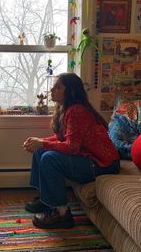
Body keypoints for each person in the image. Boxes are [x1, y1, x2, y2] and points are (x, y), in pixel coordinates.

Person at [23, 73, 120, 229]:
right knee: (40, 151)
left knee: (49, 158)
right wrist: (40, 142)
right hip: (90, 159)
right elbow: (63, 138)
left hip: (103, 164)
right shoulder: (65, 109)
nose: (52, 89)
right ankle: (45, 200)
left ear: (71, 91)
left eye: (58, 87)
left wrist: (42, 144)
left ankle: (62, 215)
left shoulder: (76, 111)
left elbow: (72, 147)